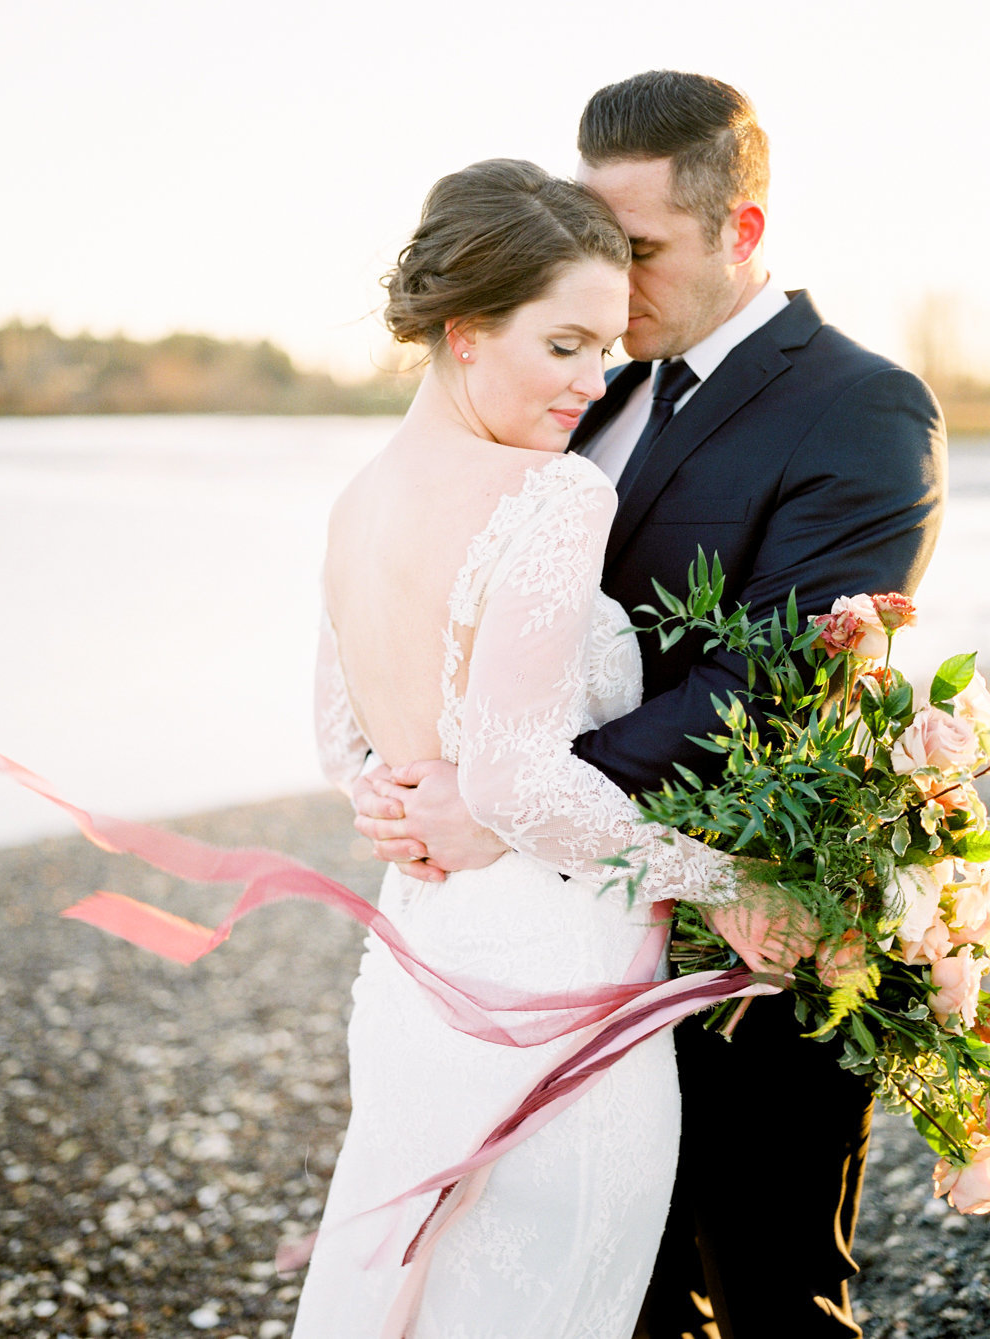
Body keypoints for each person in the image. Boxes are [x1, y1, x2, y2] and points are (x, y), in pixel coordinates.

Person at [353, 73, 948, 1339]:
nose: (605, 291)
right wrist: (393, 763)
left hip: (741, 936)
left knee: (772, 1285)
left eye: (637, 252)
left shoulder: (861, 406)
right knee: (611, 1293)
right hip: (558, 944)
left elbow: (774, 683)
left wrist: (504, 800)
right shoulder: (588, 383)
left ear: (741, 230)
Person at [292, 157, 778, 1339]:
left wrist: (401, 804)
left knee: (415, 1291)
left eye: (606, 348)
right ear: (466, 330)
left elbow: (340, 743)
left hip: (419, 960)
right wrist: (731, 881)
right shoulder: (551, 496)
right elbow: (513, 776)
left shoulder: (358, 496)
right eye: (563, 345)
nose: (593, 382)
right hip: (556, 978)